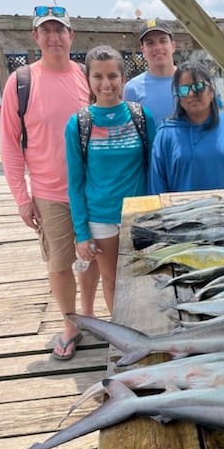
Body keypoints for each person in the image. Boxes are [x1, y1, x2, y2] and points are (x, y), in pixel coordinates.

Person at [0, 5, 100, 361]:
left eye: (61, 30)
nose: (54, 36)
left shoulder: (88, 76)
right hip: (48, 193)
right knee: (59, 263)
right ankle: (70, 323)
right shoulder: (21, 81)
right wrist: (22, 198)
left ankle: (88, 313)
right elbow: (11, 143)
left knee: (91, 257)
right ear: (35, 37)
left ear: (71, 37)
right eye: (47, 30)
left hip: (91, 190)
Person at [65, 45, 156, 315]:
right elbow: (75, 183)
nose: (106, 84)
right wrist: (81, 233)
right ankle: (122, 333)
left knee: (143, 274)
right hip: (101, 217)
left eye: (112, 76)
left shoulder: (141, 116)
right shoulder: (79, 123)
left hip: (139, 214)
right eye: (98, 77)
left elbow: (155, 167)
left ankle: (146, 324)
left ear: (123, 79)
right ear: (89, 80)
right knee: (112, 279)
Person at [148, 60, 224, 194]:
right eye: (184, 90)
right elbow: (157, 188)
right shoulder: (165, 135)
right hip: (183, 213)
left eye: (198, 87)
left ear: (212, 91)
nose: (191, 94)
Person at [123, 17, 176, 126]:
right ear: (143, 50)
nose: (157, 47)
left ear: (173, 46)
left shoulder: (191, 81)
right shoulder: (132, 89)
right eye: (150, 43)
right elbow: (130, 134)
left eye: (163, 41)